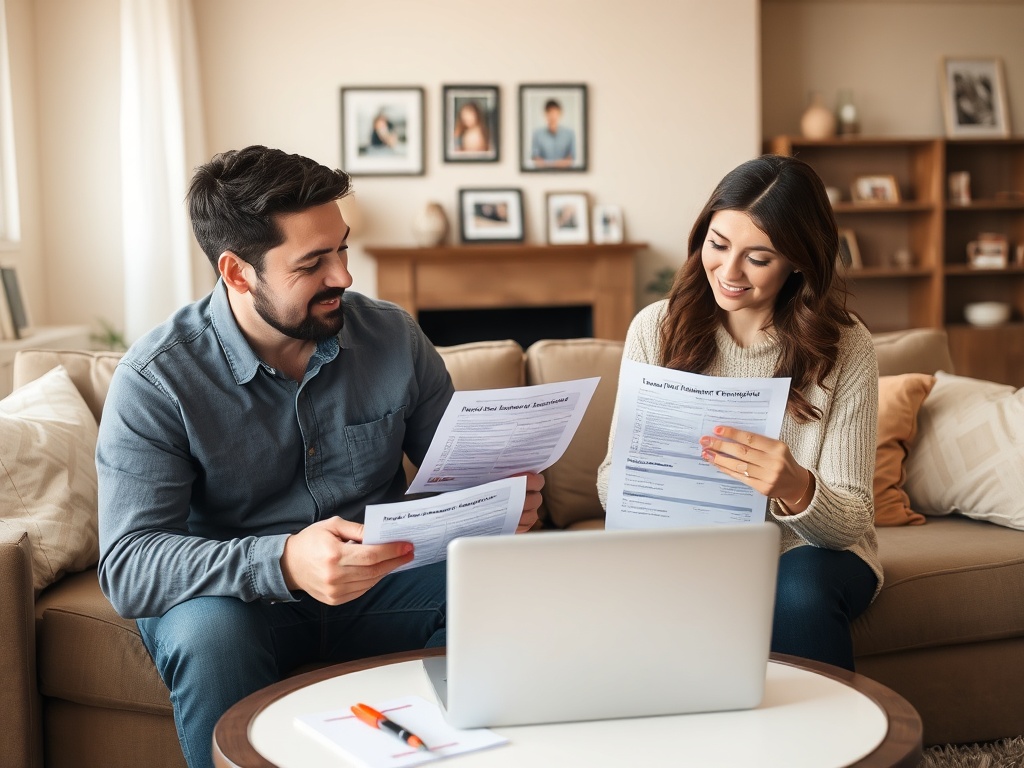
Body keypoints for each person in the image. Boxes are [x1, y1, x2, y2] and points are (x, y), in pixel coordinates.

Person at [95, 145, 543, 768]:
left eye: (343, 249)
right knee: (212, 636)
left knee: (500, 589)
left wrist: (499, 503)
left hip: (381, 583)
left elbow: (455, 477)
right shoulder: (158, 379)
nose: (344, 277)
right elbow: (130, 565)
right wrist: (282, 559)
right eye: (313, 263)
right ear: (237, 272)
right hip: (236, 601)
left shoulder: (392, 336)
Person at [596, 154, 880, 672]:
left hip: (808, 551)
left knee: (796, 596)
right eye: (718, 245)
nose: (728, 273)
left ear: (798, 260)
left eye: (759, 257)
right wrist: (650, 492)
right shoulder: (655, 330)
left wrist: (795, 487)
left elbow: (855, 519)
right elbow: (612, 479)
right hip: (691, 548)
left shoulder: (847, 346)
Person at [530, 99, 576, 168]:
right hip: (543, 175)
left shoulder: (569, 134)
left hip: (565, 175)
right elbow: (536, 159)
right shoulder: (537, 134)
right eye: (550, 113)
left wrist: (548, 164)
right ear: (545, 114)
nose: (552, 116)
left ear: (560, 113)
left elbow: (571, 159)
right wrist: (557, 164)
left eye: (555, 113)